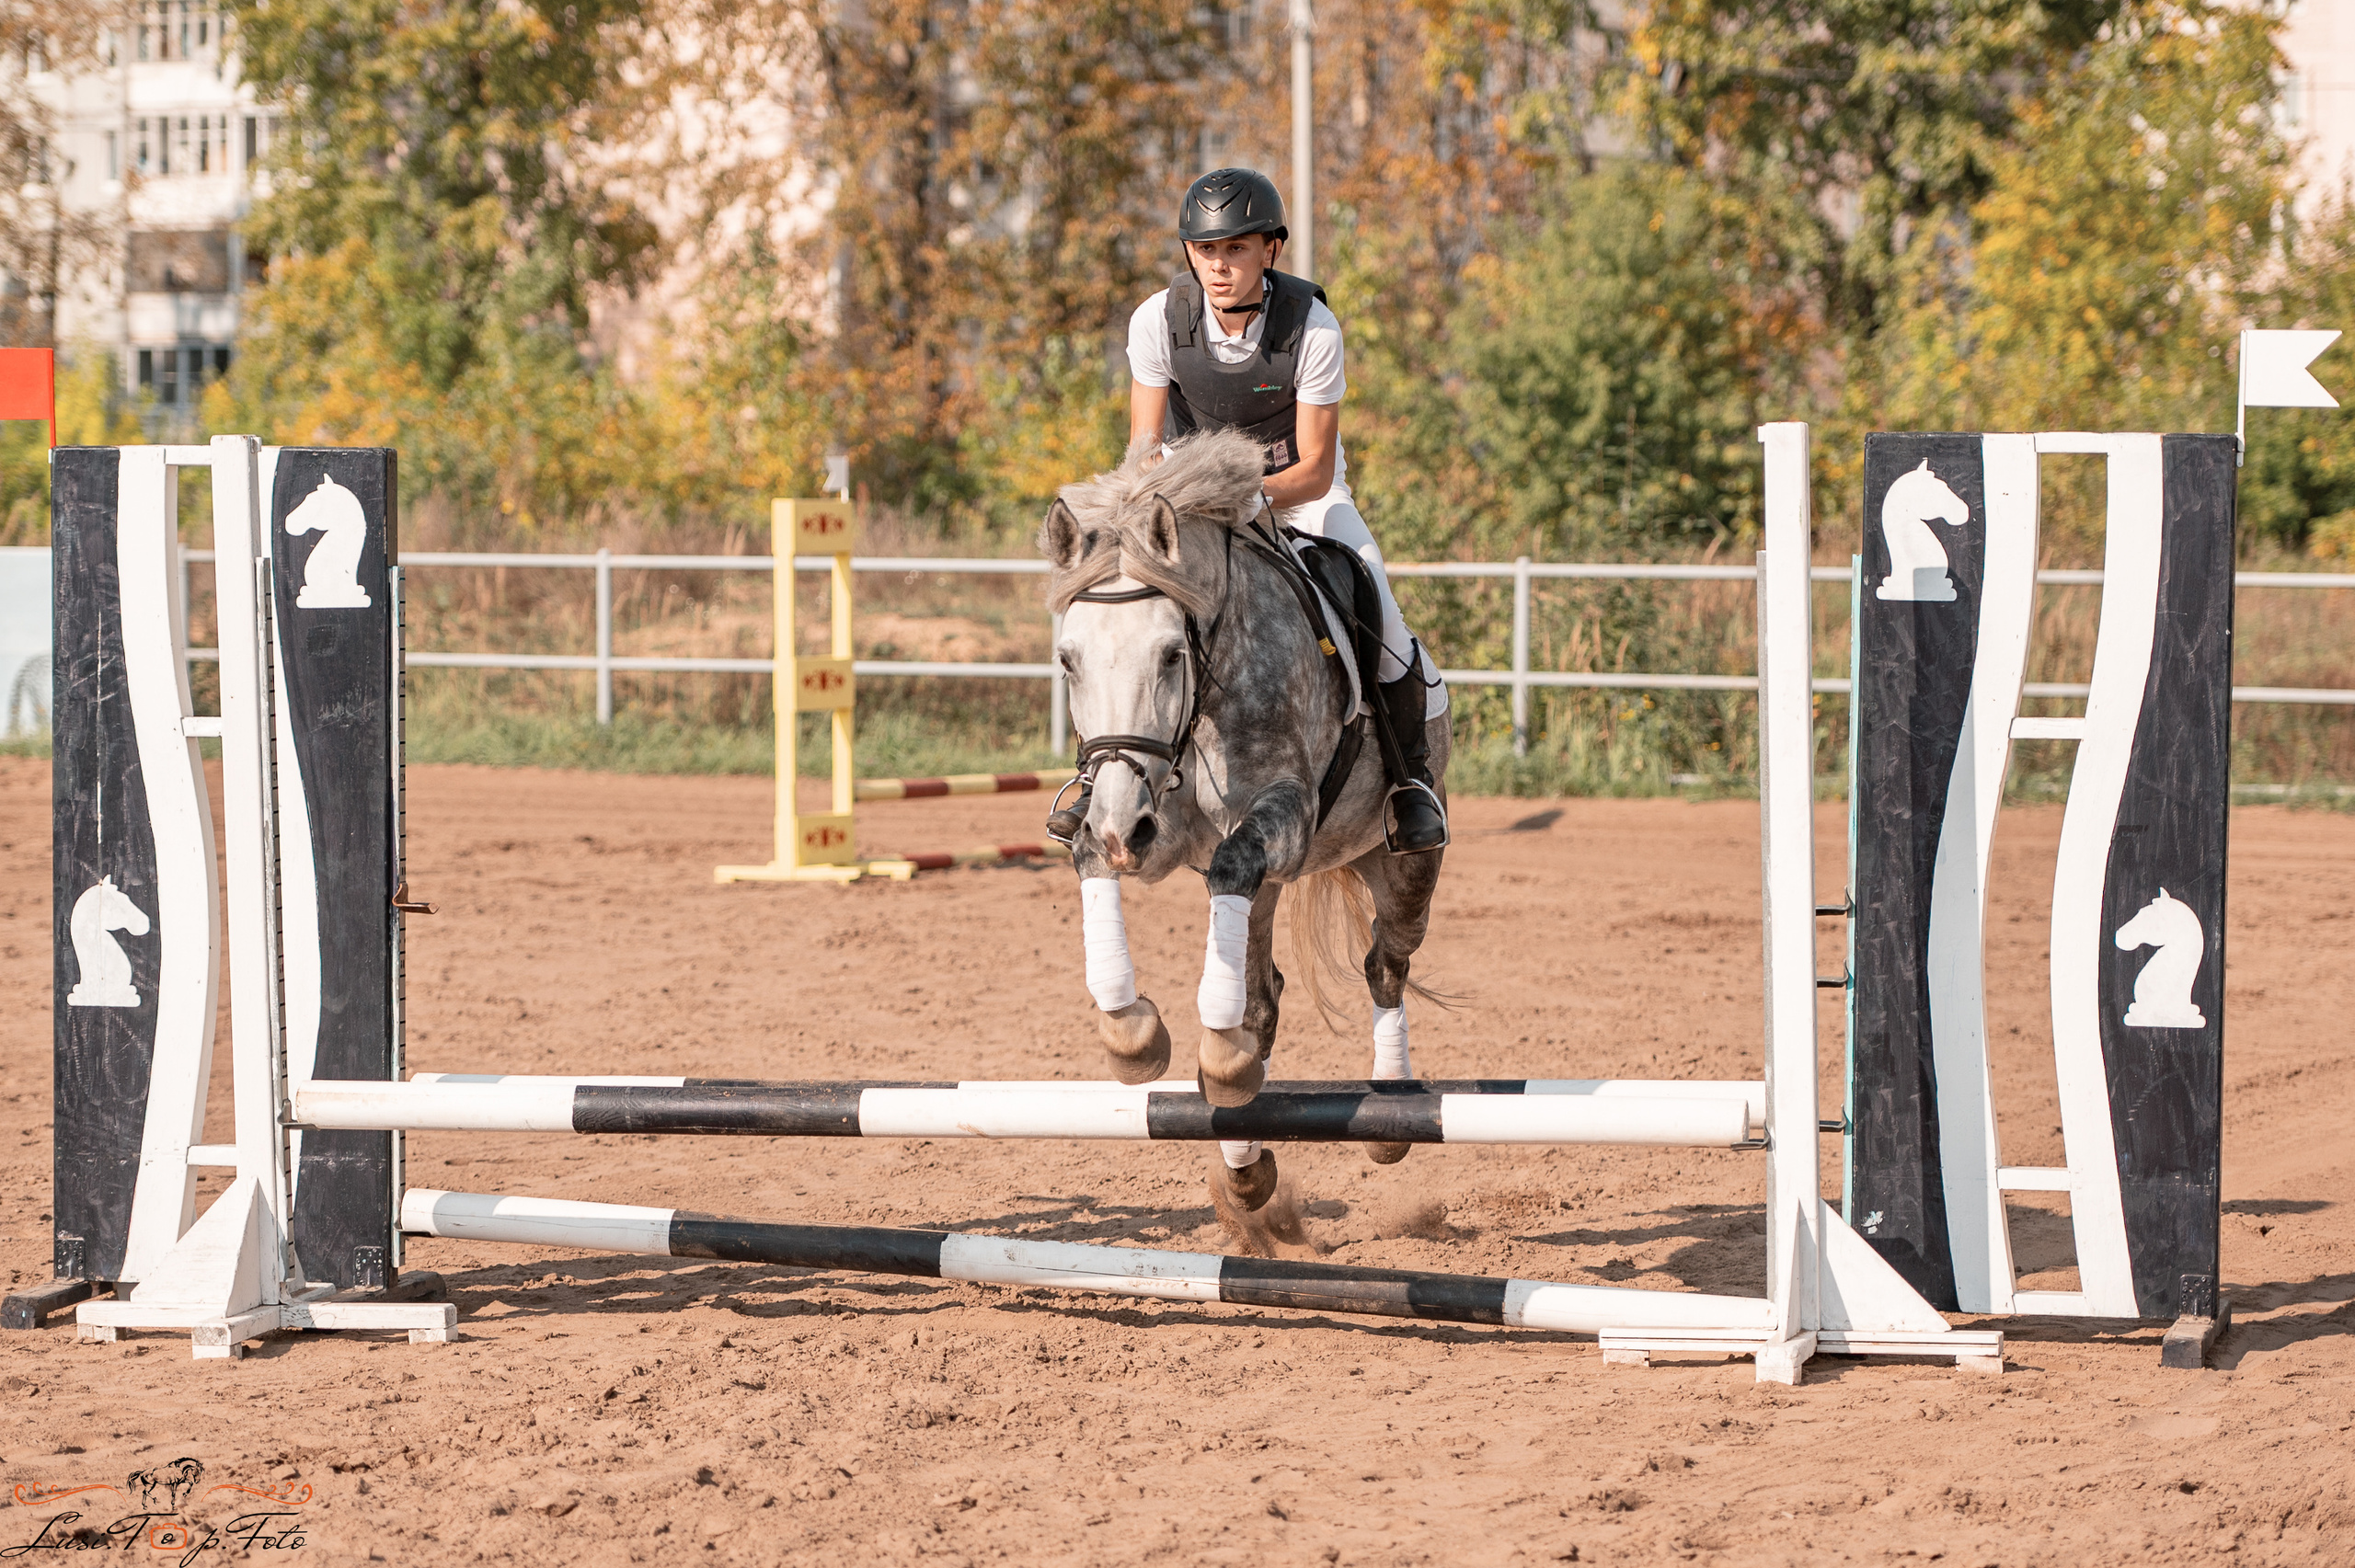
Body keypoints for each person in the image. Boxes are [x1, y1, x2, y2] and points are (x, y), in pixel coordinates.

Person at [1048, 166, 1448, 853]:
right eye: (1206, 250)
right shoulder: (1157, 320)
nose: (1219, 265)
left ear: (1270, 250)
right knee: (1114, 613)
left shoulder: (1312, 325)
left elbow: (1316, 466)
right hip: (1186, 508)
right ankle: (1094, 777)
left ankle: (1411, 783)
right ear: (1189, 254)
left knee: (1385, 614)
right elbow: (1143, 446)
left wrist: (1246, 497)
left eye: (1236, 248)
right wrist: (1179, 503)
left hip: (1297, 498)